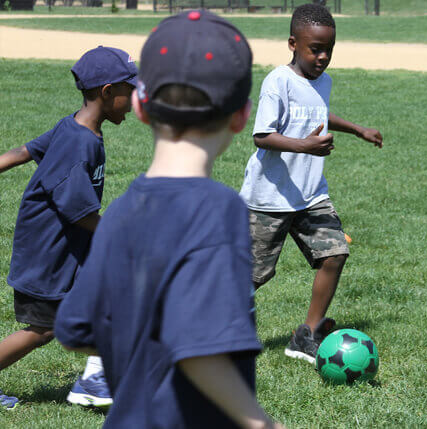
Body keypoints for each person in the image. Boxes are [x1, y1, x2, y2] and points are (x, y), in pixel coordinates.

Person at [55, 10, 282, 428]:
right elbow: (198, 348)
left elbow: (75, 327)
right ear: (241, 115)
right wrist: (260, 422)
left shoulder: (121, 211)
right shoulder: (218, 208)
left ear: (141, 106)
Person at [239, 3, 383, 364]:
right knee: (252, 277)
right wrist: (306, 145)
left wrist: (357, 129)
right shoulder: (278, 81)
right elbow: (262, 136)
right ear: (293, 44)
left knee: (334, 253)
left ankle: (307, 333)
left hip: (310, 195)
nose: (322, 57)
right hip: (269, 198)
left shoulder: (324, 81)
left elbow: (319, 112)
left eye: (328, 50)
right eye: (314, 49)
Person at [0, 46, 137, 409]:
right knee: (40, 331)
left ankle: (103, 372)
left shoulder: (73, 126)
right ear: (108, 92)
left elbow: (23, 152)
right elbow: (78, 212)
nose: (135, 98)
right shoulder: (79, 143)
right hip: (49, 254)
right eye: (130, 90)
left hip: (68, 249)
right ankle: (98, 379)